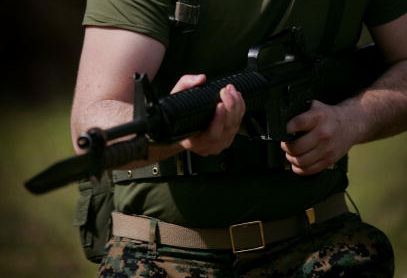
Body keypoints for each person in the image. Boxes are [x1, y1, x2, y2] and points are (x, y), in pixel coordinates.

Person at [71, 0, 407, 276]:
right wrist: (177, 139)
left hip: (320, 242)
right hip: (162, 253)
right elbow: (90, 129)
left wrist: (353, 120)